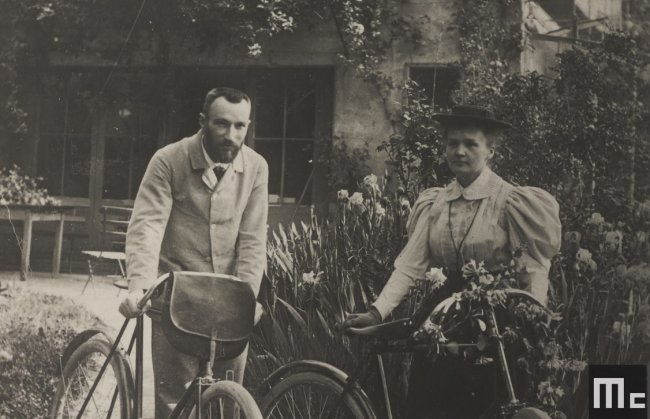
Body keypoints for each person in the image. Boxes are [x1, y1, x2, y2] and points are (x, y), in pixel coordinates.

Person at [343, 105, 561, 418]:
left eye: (471, 144)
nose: (460, 151)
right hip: (445, 311)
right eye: (452, 143)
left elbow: (534, 266)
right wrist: (377, 311)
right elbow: (409, 266)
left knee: (492, 400)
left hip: (497, 312)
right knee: (434, 397)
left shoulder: (511, 201)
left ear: (490, 151)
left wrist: (536, 318)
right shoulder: (436, 202)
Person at [118, 87, 268, 417]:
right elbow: (147, 227)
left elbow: (253, 239)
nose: (231, 135)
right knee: (174, 403)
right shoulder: (169, 160)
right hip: (175, 298)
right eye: (221, 124)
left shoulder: (256, 167)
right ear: (202, 121)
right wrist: (139, 287)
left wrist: (248, 297)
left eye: (240, 126)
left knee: (227, 403)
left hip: (228, 301)